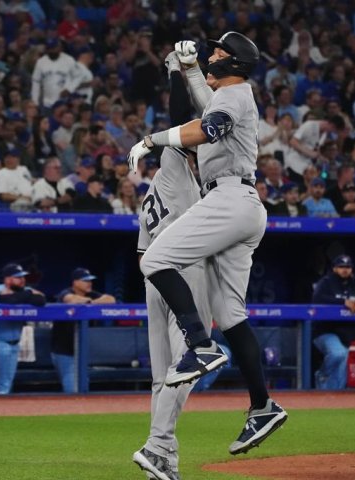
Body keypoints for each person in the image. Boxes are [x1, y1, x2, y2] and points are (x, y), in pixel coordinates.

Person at [127, 33, 287, 457]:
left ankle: (200, 345)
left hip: (230, 198)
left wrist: (152, 139)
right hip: (242, 202)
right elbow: (208, 108)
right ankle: (262, 405)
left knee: (156, 259)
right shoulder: (232, 94)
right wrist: (191, 70)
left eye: (216, 53)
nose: (210, 55)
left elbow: (206, 127)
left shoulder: (234, 96)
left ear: (232, 62)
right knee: (231, 315)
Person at [133, 57, 214, 479]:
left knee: (162, 376)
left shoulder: (152, 191)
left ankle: (161, 460)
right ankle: (157, 444)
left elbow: (141, 254)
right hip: (183, 274)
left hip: (154, 276)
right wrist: (176, 74)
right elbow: (180, 120)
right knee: (192, 362)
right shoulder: (175, 168)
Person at [0, 263, 46, 395]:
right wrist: (28, 294)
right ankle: (1, 405)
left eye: (23, 277)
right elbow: (8, 300)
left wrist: (26, 293)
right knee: (4, 381)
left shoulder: (22, 290)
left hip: (14, 341)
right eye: (18, 277)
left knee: (3, 379)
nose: (22, 280)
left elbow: (41, 300)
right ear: (7, 279)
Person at [312, 254, 355, 390]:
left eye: (348, 267)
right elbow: (317, 298)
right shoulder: (326, 282)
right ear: (334, 268)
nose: (345, 270)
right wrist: (342, 302)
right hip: (324, 331)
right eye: (341, 267)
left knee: (340, 372)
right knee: (339, 353)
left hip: (345, 333)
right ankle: (322, 374)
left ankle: (333, 399)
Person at [52, 268, 115, 393]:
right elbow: (70, 299)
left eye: (90, 280)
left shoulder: (91, 295)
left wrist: (91, 302)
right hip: (63, 351)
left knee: (83, 388)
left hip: (81, 353)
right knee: (72, 389)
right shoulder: (66, 292)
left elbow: (111, 299)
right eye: (85, 280)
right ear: (75, 282)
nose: (89, 283)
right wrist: (89, 302)